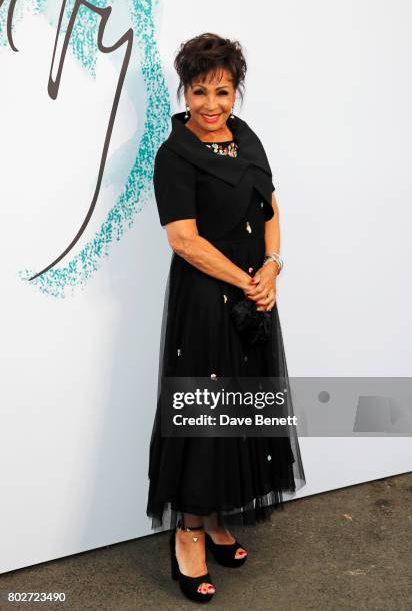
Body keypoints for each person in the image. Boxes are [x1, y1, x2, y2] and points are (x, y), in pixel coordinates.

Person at [146, 32, 306, 603]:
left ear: (236, 91)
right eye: (199, 92)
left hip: (252, 295)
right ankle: (188, 533)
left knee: (240, 409)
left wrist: (272, 267)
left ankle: (214, 517)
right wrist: (247, 281)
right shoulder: (173, 155)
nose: (212, 105)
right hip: (207, 305)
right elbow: (184, 241)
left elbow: (270, 206)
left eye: (223, 91)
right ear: (184, 92)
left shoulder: (245, 138)